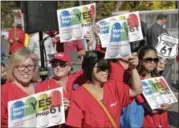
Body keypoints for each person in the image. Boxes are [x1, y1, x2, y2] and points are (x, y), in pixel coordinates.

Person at [66, 50, 142, 128]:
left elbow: (136, 91)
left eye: (107, 67)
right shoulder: (78, 96)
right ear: (90, 67)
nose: (106, 71)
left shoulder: (113, 86)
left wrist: (133, 68)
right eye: (102, 67)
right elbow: (74, 125)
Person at [35, 52, 85, 127]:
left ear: (69, 67)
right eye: (55, 65)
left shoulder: (78, 78)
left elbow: (92, 66)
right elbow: (39, 114)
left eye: (62, 64)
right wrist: (57, 110)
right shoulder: (43, 86)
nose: (58, 67)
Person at [137, 46, 175, 128]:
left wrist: (169, 105)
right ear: (140, 59)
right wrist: (167, 105)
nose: (152, 62)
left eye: (155, 60)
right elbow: (152, 110)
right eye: (148, 59)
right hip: (148, 123)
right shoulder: (137, 80)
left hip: (164, 122)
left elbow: (172, 98)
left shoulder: (158, 78)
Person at [1, 48, 39, 127]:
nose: (26, 70)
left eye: (30, 66)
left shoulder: (42, 87)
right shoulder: (3, 91)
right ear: (13, 68)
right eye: (21, 66)